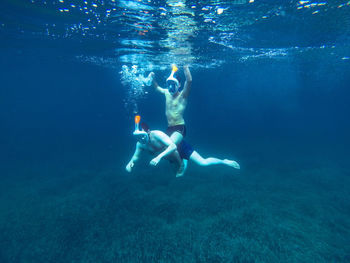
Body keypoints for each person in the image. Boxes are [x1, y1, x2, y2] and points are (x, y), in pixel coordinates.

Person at [126, 116, 240, 177]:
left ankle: (224, 161)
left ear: (149, 132)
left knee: (203, 163)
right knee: (176, 176)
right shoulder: (140, 144)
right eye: (138, 137)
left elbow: (173, 146)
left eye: (142, 136)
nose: (141, 139)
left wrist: (158, 157)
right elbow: (135, 157)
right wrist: (131, 163)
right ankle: (182, 163)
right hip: (170, 156)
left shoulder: (157, 134)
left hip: (179, 147)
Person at [150, 64, 192, 145]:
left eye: (173, 84)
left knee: (169, 146)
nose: (170, 87)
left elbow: (189, 81)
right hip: (169, 128)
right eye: (169, 84)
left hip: (179, 127)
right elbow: (157, 88)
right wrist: (153, 78)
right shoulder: (167, 92)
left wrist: (185, 67)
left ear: (179, 85)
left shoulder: (183, 95)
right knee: (163, 147)